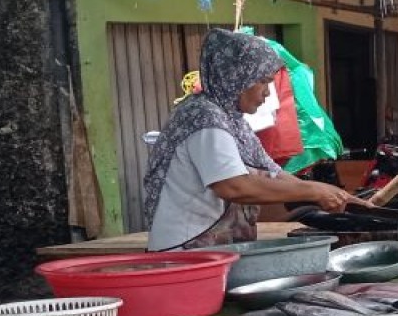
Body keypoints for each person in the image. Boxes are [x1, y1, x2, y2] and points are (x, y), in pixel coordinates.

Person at [143, 29, 369, 251]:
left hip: (210, 248)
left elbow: (272, 173)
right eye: (262, 81)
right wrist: (313, 192)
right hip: (185, 252)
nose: (268, 93)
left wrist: (331, 193)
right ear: (237, 76)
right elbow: (233, 186)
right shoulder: (204, 117)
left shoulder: (232, 119)